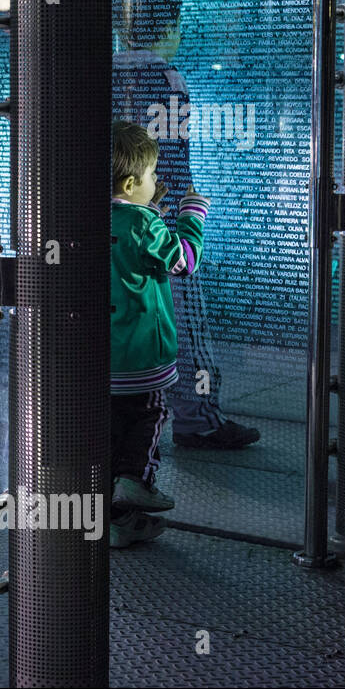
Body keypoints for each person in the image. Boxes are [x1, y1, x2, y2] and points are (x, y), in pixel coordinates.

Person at [112, 0, 260, 449]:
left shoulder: (101, 72)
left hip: (113, 221)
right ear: (169, 27)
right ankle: (198, 419)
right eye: (179, 25)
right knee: (185, 321)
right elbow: (171, 157)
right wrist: (186, 209)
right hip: (159, 222)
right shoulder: (167, 78)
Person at [109, 121, 212, 547]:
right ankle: (138, 481)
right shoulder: (144, 225)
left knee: (112, 430)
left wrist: (152, 213)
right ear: (133, 183)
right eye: (152, 177)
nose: (157, 182)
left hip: (104, 361)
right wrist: (191, 217)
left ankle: (115, 520)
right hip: (142, 360)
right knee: (149, 417)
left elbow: (132, 243)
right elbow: (184, 261)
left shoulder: (107, 217)